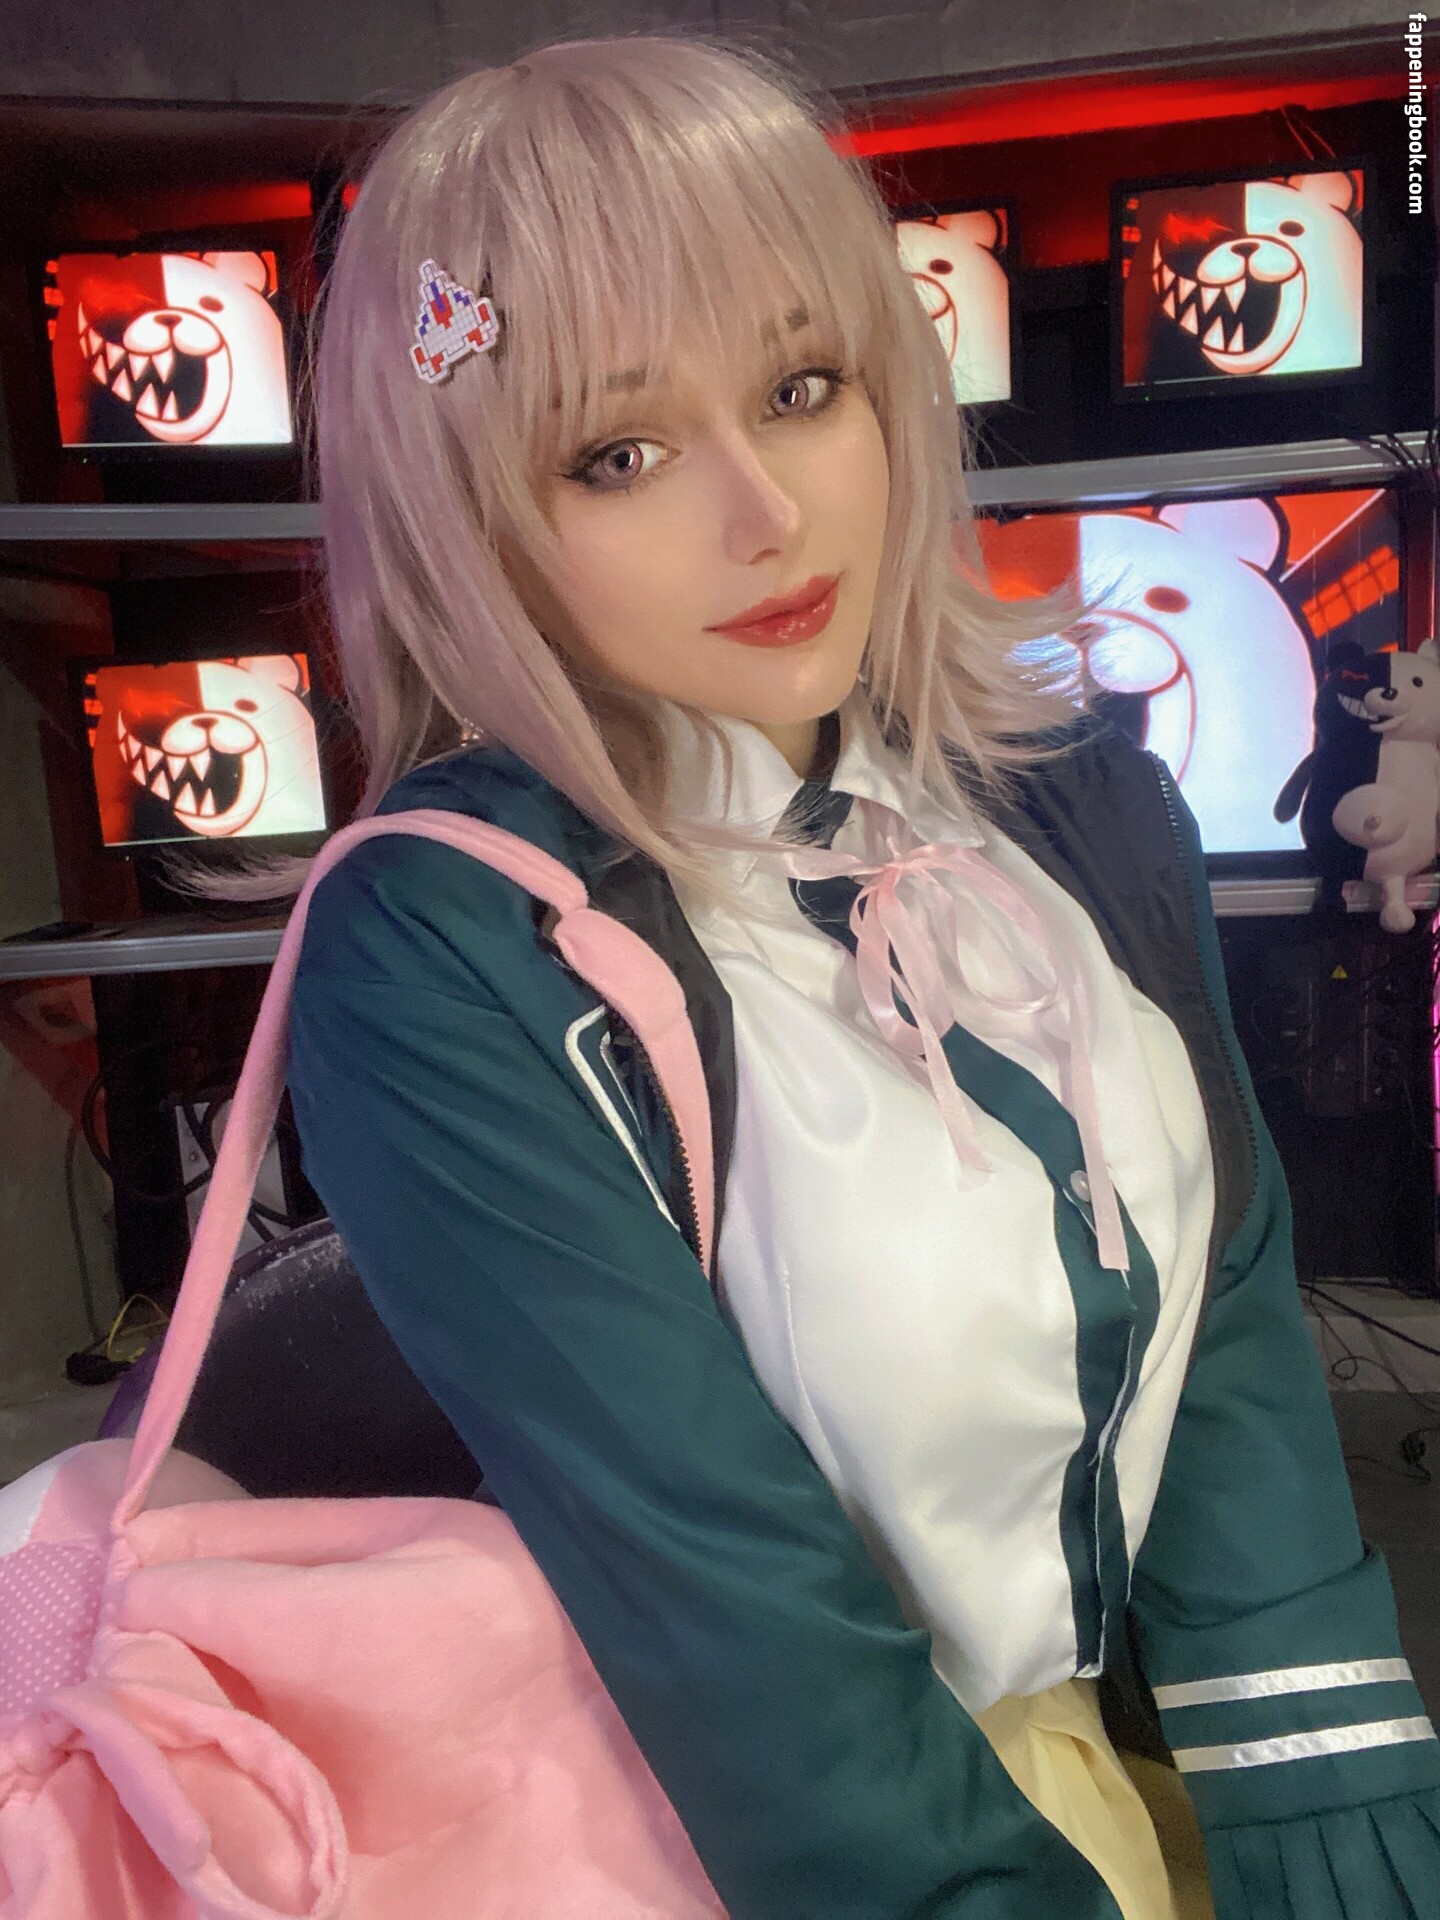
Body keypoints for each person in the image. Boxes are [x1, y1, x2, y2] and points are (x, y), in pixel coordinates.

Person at [255, 32, 1440, 1920]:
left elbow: (1222, 1286)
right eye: (619, 454)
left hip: (1085, 1767)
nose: (768, 514)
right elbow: (722, 1595)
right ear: (466, 515)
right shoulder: (449, 942)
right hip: (717, 1843)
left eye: (801, 388)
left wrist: (1322, 1777)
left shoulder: (1075, 804)